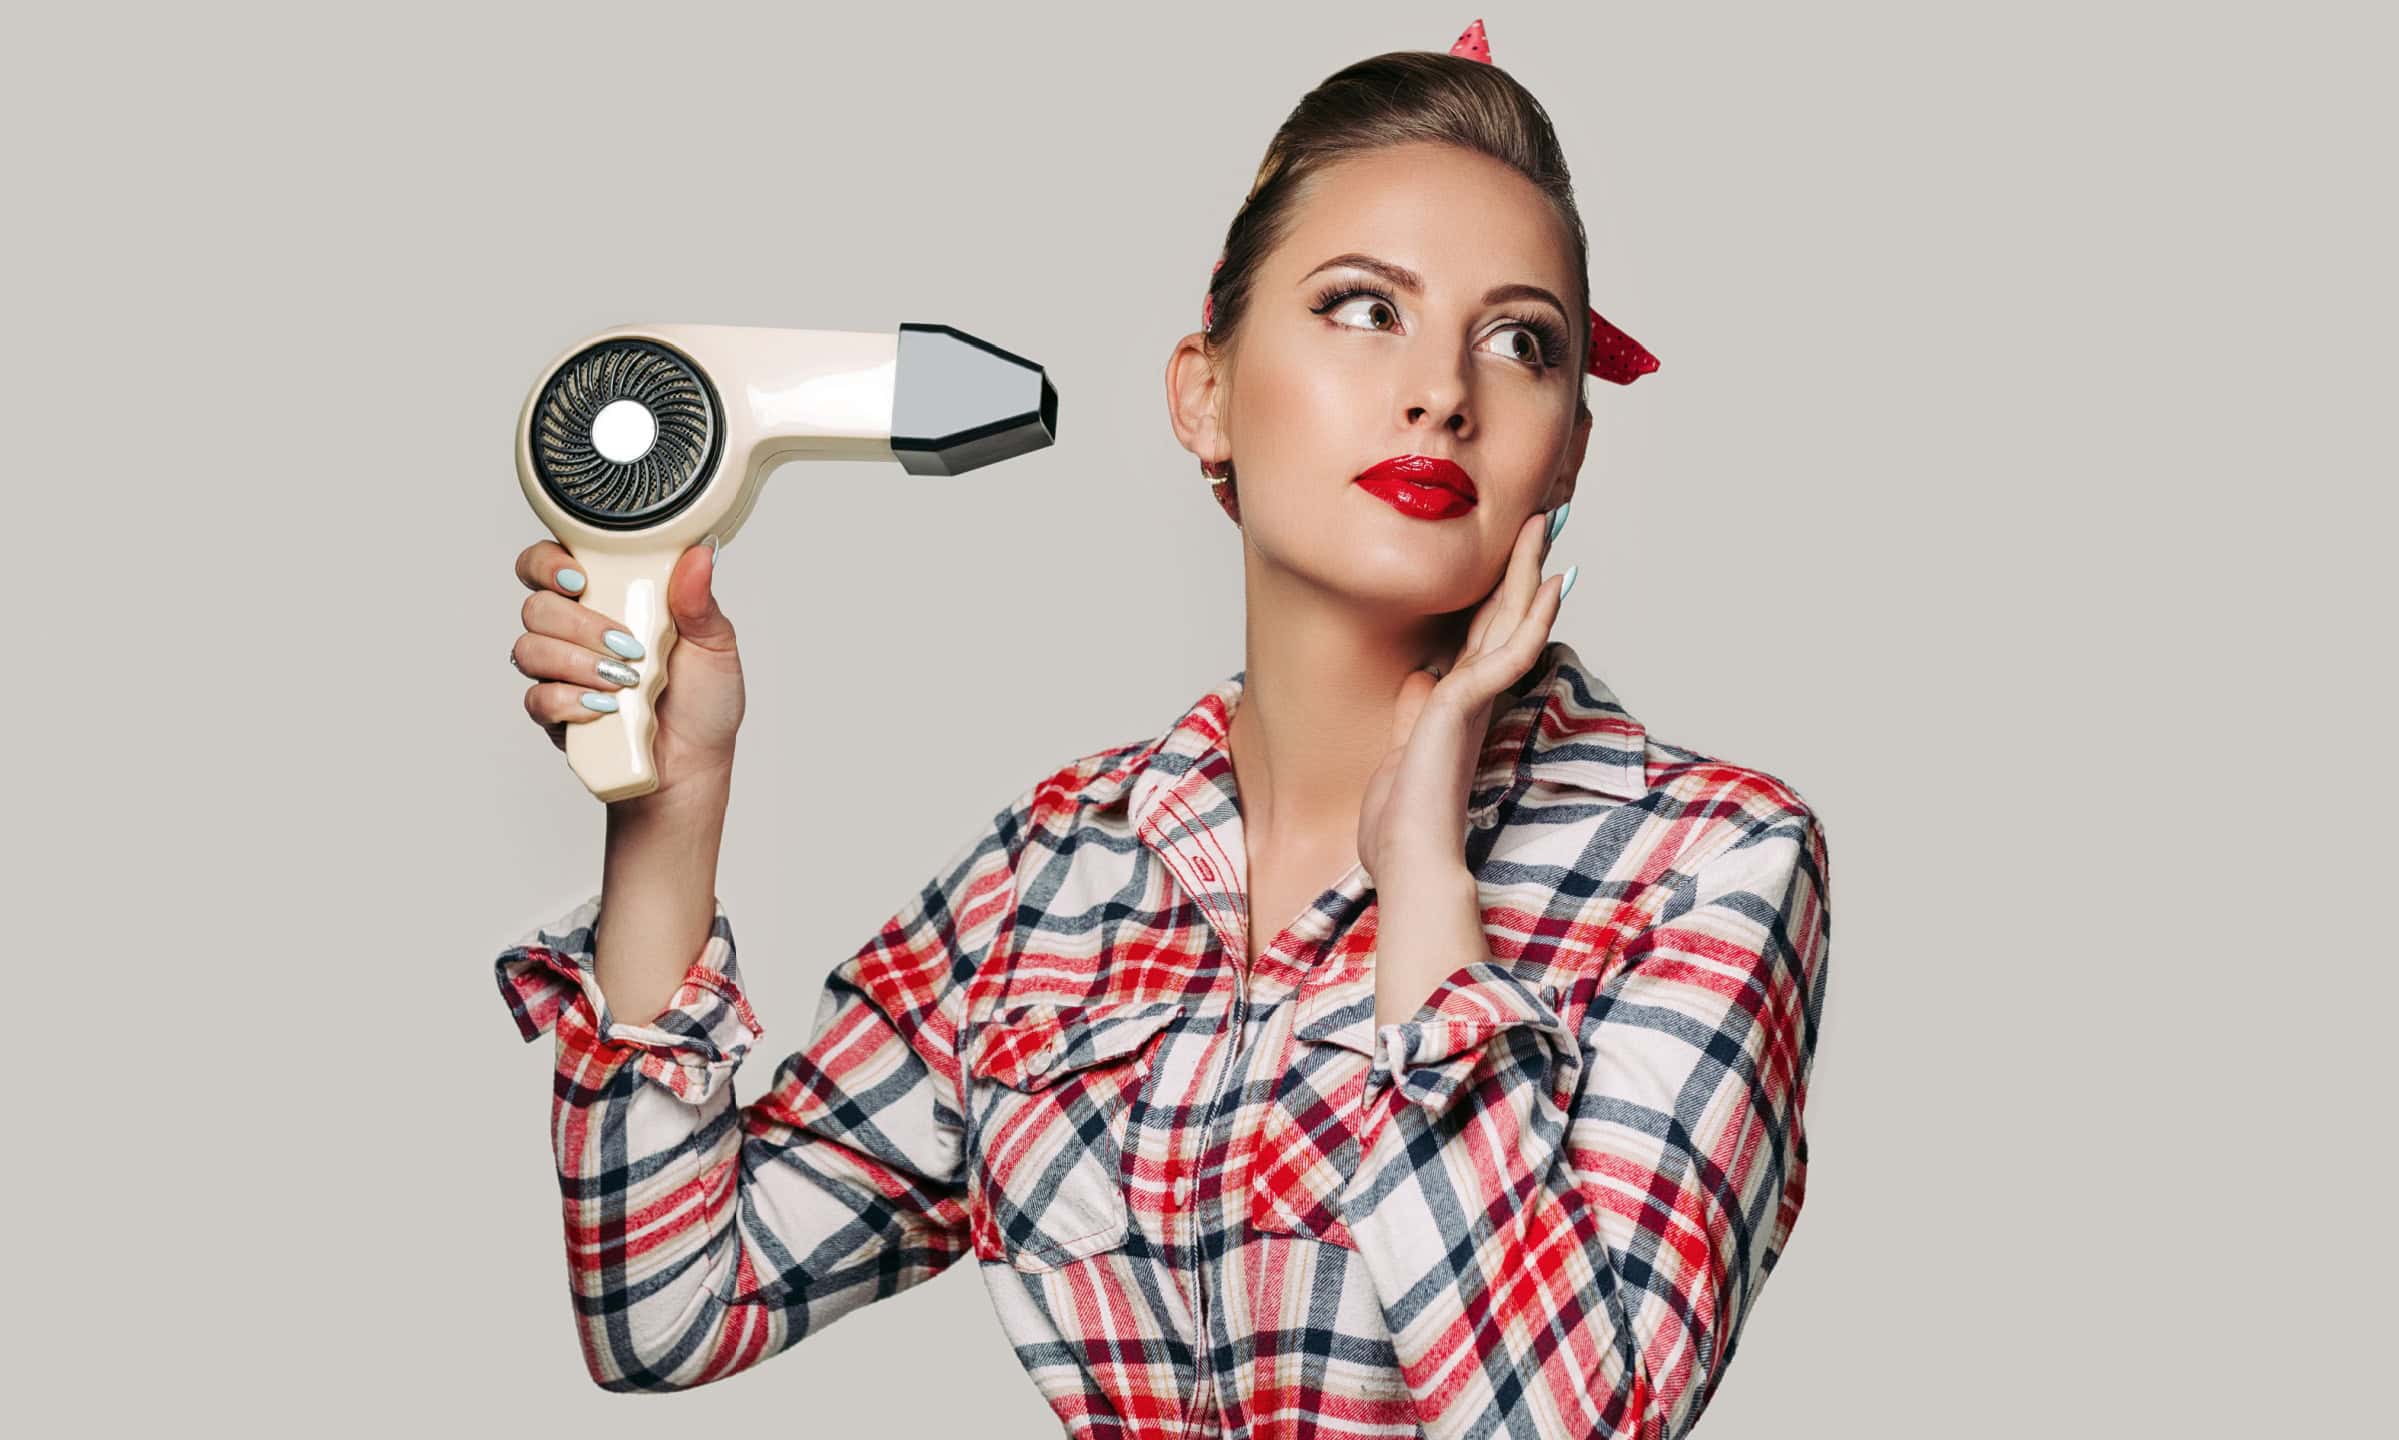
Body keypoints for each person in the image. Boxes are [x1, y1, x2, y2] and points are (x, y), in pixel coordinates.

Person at [495, 21, 1832, 1438]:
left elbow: (1565, 1423)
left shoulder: (1709, 867)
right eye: (1364, 308)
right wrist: (672, 810)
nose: (1445, 391)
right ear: (1205, 396)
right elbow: (667, 1309)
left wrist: (1427, 884)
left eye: (1520, 342)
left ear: (1567, 450)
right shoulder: (1052, 876)